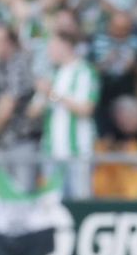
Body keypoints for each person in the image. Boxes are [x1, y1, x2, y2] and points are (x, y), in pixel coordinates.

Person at [36, 31, 98, 200]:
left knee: (80, 201)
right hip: (51, 150)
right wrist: (41, 95)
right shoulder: (52, 74)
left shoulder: (85, 72)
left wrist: (53, 94)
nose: (49, 52)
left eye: (53, 47)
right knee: (51, 202)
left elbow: (86, 109)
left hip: (78, 151)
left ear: (66, 46)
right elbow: (33, 112)